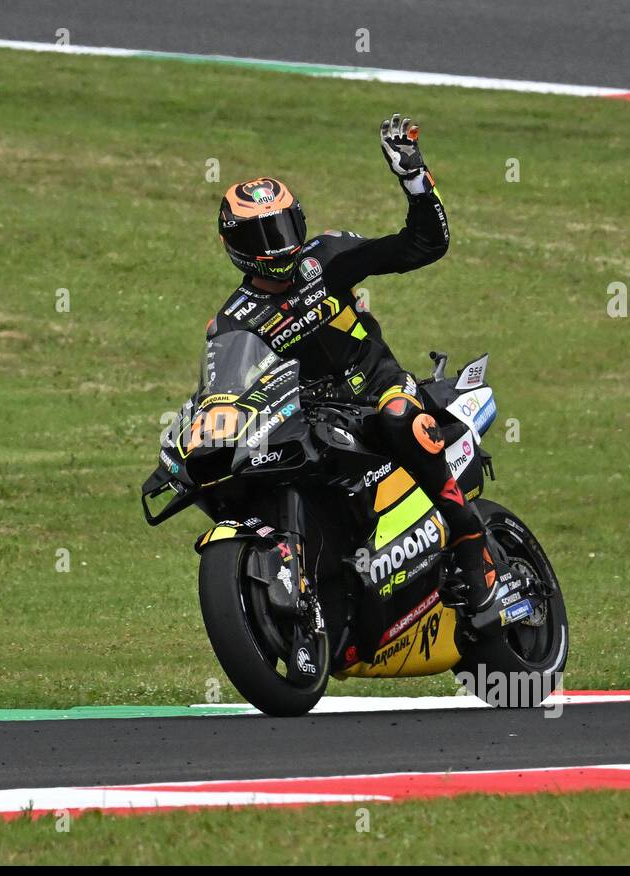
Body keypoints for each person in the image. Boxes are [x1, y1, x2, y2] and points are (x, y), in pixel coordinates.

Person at [207, 113, 501, 615]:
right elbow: (221, 393)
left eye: (284, 226)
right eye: (265, 236)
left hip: (379, 389)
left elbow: (423, 244)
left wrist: (414, 177)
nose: (280, 245)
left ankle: (472, 541)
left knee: (397, 417)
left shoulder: (326, 257)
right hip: (311, 418)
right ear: (238, 248)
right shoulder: (234, 322)